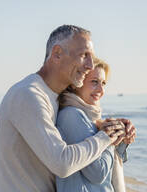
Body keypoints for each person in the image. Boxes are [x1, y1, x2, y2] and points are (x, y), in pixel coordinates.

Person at [0, 25, 133, 192]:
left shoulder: (55, 98)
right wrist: (106, 137)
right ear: (57, 53)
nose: (90, 65)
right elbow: (62, 163)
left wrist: (102, 127)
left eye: (92, 58)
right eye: (84, 56)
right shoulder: (28, 95)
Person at [56, 58, 135, 192]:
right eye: (94, 82)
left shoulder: (89, 118)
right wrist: (110, 138)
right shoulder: (71, 116)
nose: (101, 90)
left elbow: (109, 169)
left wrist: (122, 138)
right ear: (76, 83)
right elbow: (98, 173)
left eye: (103, 83)